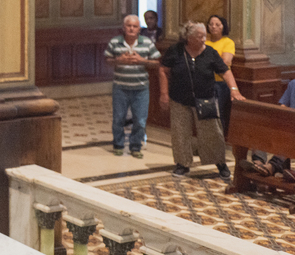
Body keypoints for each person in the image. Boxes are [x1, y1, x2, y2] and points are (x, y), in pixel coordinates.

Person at [158, 20, 243, 179]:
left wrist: (234, 90)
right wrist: (164, 93)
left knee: (213, 133)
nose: (203, 39)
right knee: (180, 133)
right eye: (199, 36)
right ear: (188, 38)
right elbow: (163, 70)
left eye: (204, 35)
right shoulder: (175, 51)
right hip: (179, 99)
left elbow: (225, 71)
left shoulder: (210, 52)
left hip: (206, 99)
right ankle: (182, 165)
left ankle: (220, 164)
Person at [104, 14, 159, 158]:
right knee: (118, 118)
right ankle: (118, 144)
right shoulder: (115, 42)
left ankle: (136, 146)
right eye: (129, 26)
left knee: (140, 120)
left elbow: (157, 62)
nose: (131, 29)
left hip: (141, 88)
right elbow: (107, 60)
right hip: (120, 87)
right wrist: (118, 60)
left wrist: (142, 60)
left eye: (135, 26)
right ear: (123, 28)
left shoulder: (146, 42)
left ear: (139, 29)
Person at [243, 79, 295, 181]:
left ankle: (273, 166)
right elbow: (283, 106)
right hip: (289, 124)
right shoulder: (293, 83)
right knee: (261, 127)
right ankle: (258, 162)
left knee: (290, 135)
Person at [206, 14, 236, 135]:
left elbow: (225, 62)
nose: (213, 27)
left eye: (217, 24)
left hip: (220, 83)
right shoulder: (205, 41)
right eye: (211, 24)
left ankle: (219, 140)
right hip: (205, 82)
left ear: (223, 27)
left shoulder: (227, 42)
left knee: (219, 114)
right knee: (206, 114)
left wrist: (206, 63)